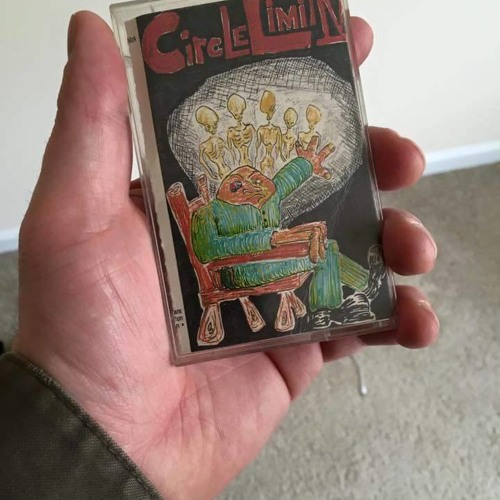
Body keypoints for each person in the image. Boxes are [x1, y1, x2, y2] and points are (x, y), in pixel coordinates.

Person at [0, 12, 439, 500]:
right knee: (316, 249)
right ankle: (340, 286)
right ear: (225, 186)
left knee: (326, 246)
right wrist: (263, 244)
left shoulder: (264, 198)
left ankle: (351, 292)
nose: (253, 183)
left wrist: (305, 163)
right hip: (239, 276)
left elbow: (284, 181)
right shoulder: (211, 214)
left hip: (274, 266)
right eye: (242, 181)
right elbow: (208, 250)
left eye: (256, 181)